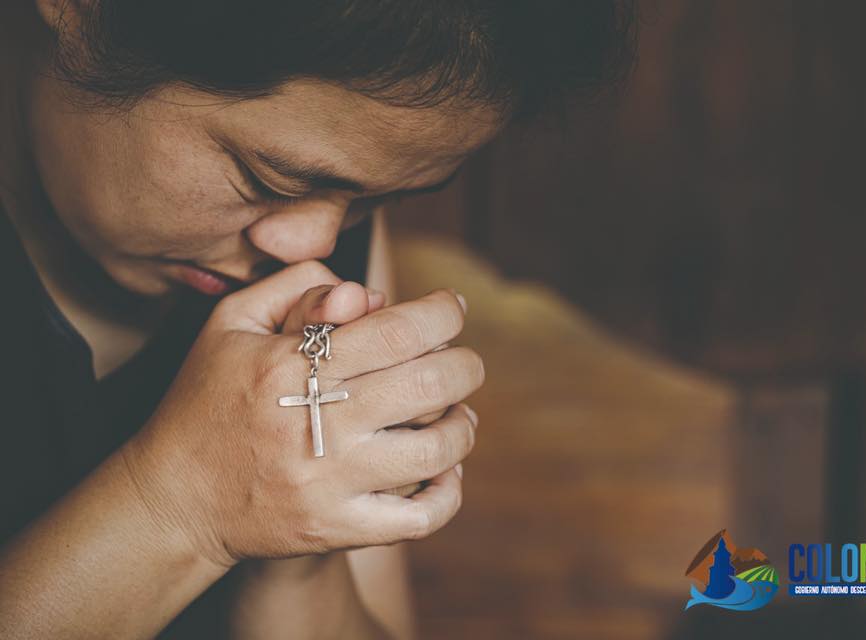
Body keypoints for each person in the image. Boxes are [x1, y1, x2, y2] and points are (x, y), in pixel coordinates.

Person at [0, 1, 635, 637]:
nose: (312, 249)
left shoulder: (321, 237)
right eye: (266, 180)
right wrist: (185, 506)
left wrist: (298, 539)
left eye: (379, 200)